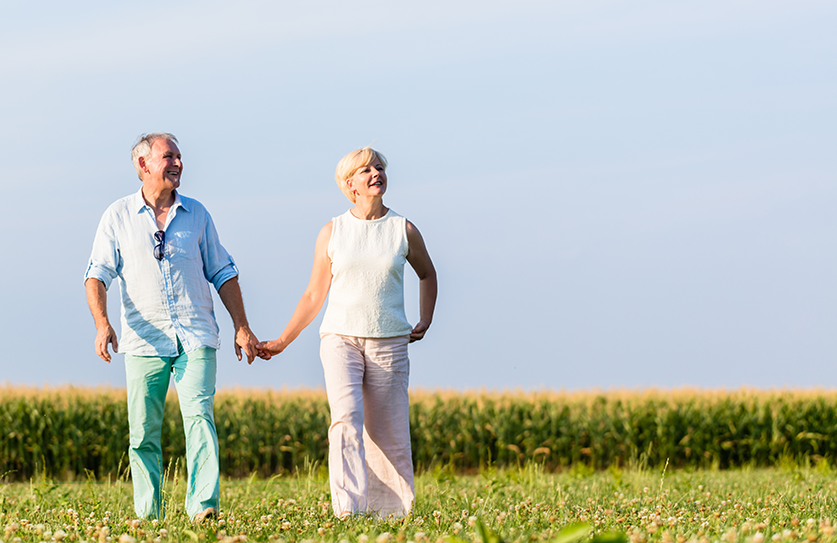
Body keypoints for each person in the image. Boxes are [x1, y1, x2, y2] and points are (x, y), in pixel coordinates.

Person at [84, 133, 260, 521]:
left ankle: (203, 508)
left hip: (196, 334)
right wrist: (102, 324)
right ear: (143, 165)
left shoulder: (197, 214)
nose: (178, 163)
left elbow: (223, 271)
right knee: (143, 431)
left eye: (179, 156)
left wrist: (241, 326)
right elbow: (96, 275)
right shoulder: (117, 216)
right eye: (169, 156)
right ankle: (148, 513)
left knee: (199, 417)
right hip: (143, 340)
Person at [256, 147, 437, 518]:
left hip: (389, 341)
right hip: (340, 339)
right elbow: (313, 294)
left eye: (380, 167)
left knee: (388, 433)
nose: (376, 173)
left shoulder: (403, 229)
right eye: (366, 169)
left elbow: (428, 274)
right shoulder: (332, 231)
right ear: (349, 183)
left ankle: (393, 514)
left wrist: (425, 318)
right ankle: (348, 511)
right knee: (347, 420)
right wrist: (282, 341)